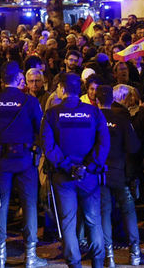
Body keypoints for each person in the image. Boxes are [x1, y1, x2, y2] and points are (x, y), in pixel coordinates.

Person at [41, 72, 109, 268]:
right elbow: (103, 142)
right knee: (93, 221)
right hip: (89, 176)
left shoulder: (52, 113)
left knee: (68, 223)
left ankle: (74, 264)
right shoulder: (94, 112)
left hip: (64, 177)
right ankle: (97, 262)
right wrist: (90, 165)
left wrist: (68, 166)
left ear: (61, 89)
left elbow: (48, 146)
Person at [0, 62, 45, 268]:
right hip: (26, 158)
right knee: (29, 205)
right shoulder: (30, 101)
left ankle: (0, 254)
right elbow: (40, 129)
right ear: (19, 79)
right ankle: (30, 255)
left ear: (1, 79)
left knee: (0, 204)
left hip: (1, 159)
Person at [97, 85, 142, 267]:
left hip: (99, 173)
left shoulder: (93, 118)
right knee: (128, 210)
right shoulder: (122, 119)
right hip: (120, 172)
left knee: (104, 213)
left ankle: (109, 257)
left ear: (96, 100)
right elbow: (134, 147)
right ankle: (135, 253)